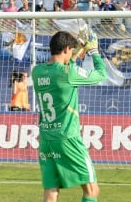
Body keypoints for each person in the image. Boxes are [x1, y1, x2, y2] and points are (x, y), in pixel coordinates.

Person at [31, 30, 107, 202]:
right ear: (66, 48)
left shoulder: (37, 72)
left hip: (46, 140)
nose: (73, 54)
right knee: (92, 190)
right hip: (68, 138)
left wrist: (77, 50)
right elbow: (101, 74)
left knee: (51, 193)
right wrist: (93, 51)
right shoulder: (68, 73)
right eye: (71, 51)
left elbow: (63, 67)